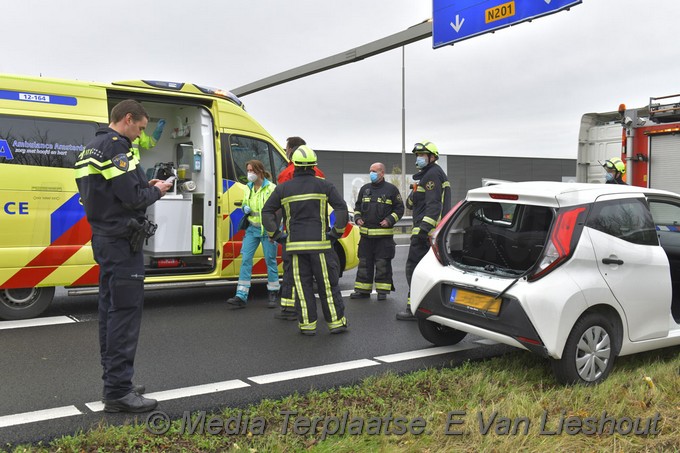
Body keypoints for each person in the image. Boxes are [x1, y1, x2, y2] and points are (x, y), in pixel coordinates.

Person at [74, 99, 173, 412]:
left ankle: (116, 382)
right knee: (125, 316)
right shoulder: (119, 148)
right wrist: (159, 189)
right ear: (128, 119)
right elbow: (132, 197)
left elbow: (112, 191)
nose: (140, 135)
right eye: (141, 128)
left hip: (104, 239)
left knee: (110, 312)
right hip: (122, 243)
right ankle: (118, 392)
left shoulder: (91, 148)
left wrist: (146, 183)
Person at [262, 145, 349, 335]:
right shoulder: (325, 185)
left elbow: (267, 212)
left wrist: (276, 235)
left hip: (294, 248)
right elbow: (342, 209)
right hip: (321, 246)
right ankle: (336, 323)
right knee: (327, 285)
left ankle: (307, 326)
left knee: (302, 286)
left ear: (295, 165)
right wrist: (336, 233)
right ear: (313, 166)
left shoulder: (283, 188)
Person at [396, 140, 451, 321]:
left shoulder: (432, 175)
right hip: (427, 232)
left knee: (415, 269)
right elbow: (410, 205)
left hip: (425, 233)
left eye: (422, 155)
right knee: (424, 270)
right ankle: (425, 307)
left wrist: (423, 230)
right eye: (417, 156)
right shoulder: (425, 176)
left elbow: (434, 206)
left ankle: (415, 308)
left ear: (432, 157)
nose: (419, 158)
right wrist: (414, 191)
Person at [275, 136, 326, 320]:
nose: (285, 151)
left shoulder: (286, 174)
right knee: (318, 272)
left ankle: (290, 308)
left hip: (294, 231)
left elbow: (279, 204)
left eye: (286, 148)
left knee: (292, 270)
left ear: (292, 151)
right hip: (317, 232)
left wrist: (277, 231)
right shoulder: (319, 173)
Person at [226, 160, 280, 308]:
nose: (249, 174)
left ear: (260, 171)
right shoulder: (248, 187)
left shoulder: (271, 188)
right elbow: (245, 203)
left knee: (270, 261)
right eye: (248, 170)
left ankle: (273, 292)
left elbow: (277, 211)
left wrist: (273, 232)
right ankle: (241, 296)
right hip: (252, 228)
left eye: (252, 170)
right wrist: (245, 208)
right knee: (246, 260)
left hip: (267, 230)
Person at [350, 162, 404, 301]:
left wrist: (389, 220)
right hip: (366, 237)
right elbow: (357, 207)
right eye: (370, 171)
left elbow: (399, 209)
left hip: (383, 238)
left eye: (374, 171)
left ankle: (382, 291)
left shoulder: (391, 190)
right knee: (364, 264)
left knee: (382, 264)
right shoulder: (364, 189)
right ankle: (363, 290)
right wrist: (357, 218)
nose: (371, 173)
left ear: (382, 173)